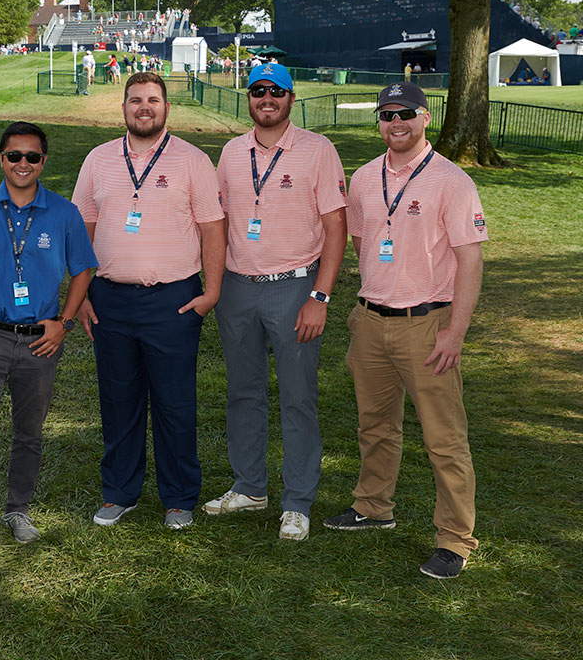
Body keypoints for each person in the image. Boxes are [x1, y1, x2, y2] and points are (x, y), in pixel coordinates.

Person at [324, 82, 487, 580]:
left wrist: (454, 333)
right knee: (375, 426)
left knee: (444, 439)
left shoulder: (451, 180)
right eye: (387, 115)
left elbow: (470, 261)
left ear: (425, 118)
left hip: (428, 324)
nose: (396, 124)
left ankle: (455, 540)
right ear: (379, 122)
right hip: (371, 321)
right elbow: (361, 241)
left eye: (406, 114)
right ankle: (373, 506)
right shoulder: (365, 177)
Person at [72, 72, 226, 530]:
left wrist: (211, 292)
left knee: (174, 402)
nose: (145, 107)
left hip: (173, 300)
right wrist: (79, 296)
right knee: (119, 400)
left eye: (153, 100)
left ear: (166, 108)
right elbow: (83, 229)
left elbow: (213, 228)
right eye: (136, 100)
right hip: (111, 299)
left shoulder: (193, 160)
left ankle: (179, 498)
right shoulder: (98, 160)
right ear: (123, 107)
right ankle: (120, 492)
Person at [0, 122, 98, 562]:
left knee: (29, 433)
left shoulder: (63, 214)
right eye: (15, 156)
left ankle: (18, 510)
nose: (23, 164)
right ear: (1, 159)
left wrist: (63, 323)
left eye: (32, 157)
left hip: (38, 342)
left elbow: (83, 269)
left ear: (44, 162)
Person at [205, 63, 347, 542]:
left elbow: (336, 228)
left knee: (297, 398)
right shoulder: (230, 151)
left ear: (291, 98)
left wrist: (320, 296)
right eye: (258, 91)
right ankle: (249, 487)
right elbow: (216, 222)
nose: (267, 99)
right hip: (237, 286)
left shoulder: (317, 150)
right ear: (249, 98)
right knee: (243, 393)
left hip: (294, 287)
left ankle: (298, 502)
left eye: (277, 91)